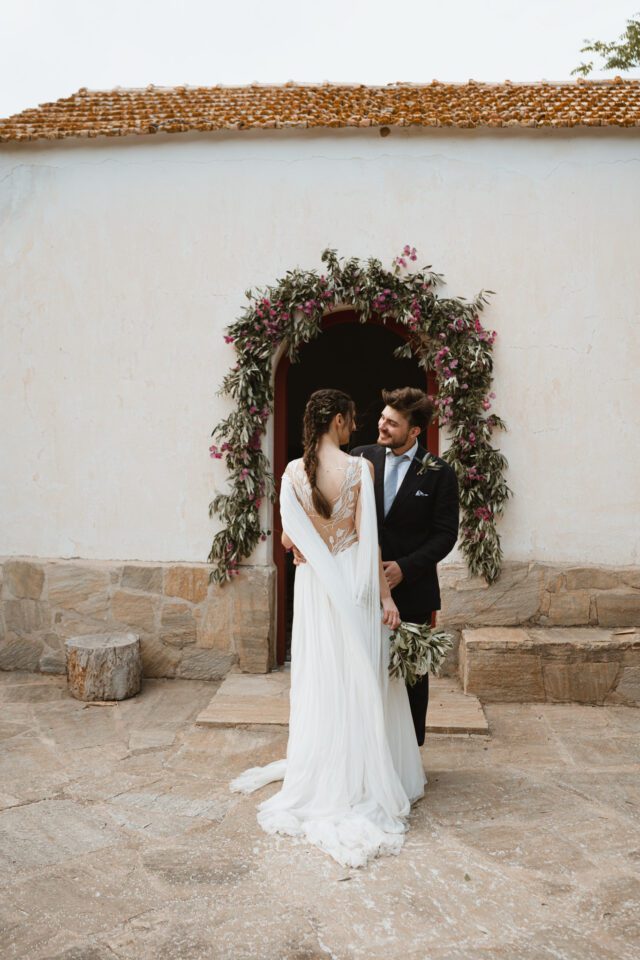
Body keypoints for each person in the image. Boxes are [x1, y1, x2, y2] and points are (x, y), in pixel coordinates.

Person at [230, 388, 426, 869]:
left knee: (322, 678)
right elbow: (369, 541)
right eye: (352, 420)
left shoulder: (293, 473)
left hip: (316, 592)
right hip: (354, 591)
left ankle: (325, 770)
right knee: (360, 678)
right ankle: (361, 776)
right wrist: (385, 599)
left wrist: (305, 551)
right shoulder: (361, 470)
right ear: (337, 420)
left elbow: (289, 539)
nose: (355, 428)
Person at [351, 387, 459, 747]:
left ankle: (410, 756)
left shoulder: (440, 473)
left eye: (392, 423)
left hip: (413, 590)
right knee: (363, 667)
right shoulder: (358, 458)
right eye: (383, 418)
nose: (382, 426)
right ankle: (367, 749)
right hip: (361, 587)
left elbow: (445, 535)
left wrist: (405, 568)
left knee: (411, 674)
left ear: (414, 431)